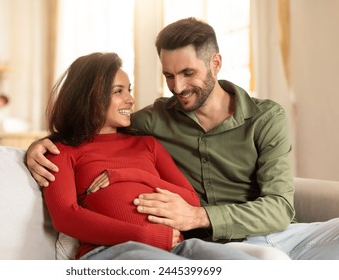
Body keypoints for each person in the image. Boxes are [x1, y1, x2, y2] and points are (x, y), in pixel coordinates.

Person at [26, 18, 339, 259]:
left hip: (271, 233)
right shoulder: (154, 120)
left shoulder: (266, 118)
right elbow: (92, 125)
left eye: (188, 73)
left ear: (215, 63)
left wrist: (196, 215)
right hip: (206, 244)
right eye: (169, 76)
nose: (177, 86)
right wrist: (43, 144)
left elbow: (279, 208)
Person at [40, 51, 259, 260]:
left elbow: (191, 200)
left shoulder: (147, 144)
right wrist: (142, 235)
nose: (131, 100)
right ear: (89, 97)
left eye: (129, 89)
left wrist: (132, 175)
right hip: (110, 251)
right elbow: (66, 217)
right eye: (119, 91)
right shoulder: (62, 151)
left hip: (179, 247)